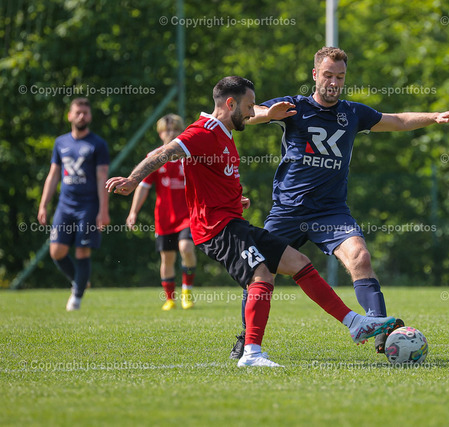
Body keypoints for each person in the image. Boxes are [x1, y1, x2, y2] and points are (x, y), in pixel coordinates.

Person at [106, 76, 397, 367]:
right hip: (215, 229)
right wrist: (132, 180)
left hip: (232, 221)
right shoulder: (203, 131)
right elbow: (165, 152)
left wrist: (236, 199)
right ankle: (251, 353)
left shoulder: (224, 133)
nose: (251, 112)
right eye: (248, 106)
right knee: (262, 276)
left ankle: (354, 323)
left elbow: (213, 179)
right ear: (230, 103)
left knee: (298, 262)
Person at [229, 46, 449, 358]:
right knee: (260, 270)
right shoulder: (295, 106)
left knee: (360, 257)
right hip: (288, 210)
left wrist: (434, 116)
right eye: (327, 75)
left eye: (340, 77)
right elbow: (250, 114)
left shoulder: (353, 113)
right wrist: (268, 114)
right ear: (315, 75)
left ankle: (380, 329)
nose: (333, 82)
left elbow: (397, 120)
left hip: (331, 211)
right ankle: (246, 339)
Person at [38, 97, 110, 311]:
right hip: (65, 205)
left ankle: (76, 298)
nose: (81, 116)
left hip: (88, 206)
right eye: (77, 112)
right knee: (56, 251)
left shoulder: (98, 144)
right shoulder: (60, 143)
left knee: (82, 251)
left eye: (85, 113)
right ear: (69, 115)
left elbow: (102, 178)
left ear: (90, 116)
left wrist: (103, 210)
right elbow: (53, 175)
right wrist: (43, 204)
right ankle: (80, 281)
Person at [126, 114, 197, 311]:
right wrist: (133, 212)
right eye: (168, 130)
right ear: (160, 133)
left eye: (176, 130)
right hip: (164, 218)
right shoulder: (154, 157)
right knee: (167, 258)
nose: (171, 133)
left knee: (186, 248)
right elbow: (143, 186)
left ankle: (187, 292)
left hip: (187, 215)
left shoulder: (189, 155)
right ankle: (169, 299)